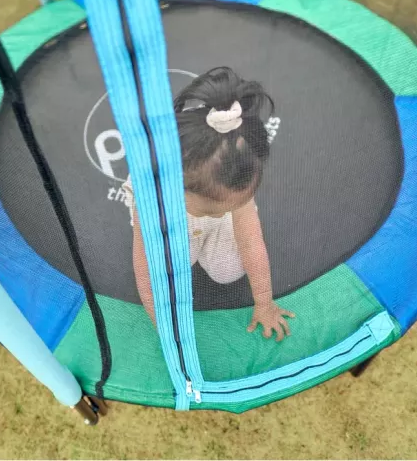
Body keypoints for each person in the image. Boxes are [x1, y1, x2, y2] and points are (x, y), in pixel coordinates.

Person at [124, 67, 295, 341]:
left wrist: (264, 302)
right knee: (173, 269)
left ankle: (208, 236)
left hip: (212, 227)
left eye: (235, 204)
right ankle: (190, 248)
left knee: (228, 272)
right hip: (173, 228)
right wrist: (164, 327)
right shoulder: (151, 201)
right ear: (179, 188)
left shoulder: (234, 174)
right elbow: (146, 270)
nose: (227, 210)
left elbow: (251, 241)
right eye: (214, 210)